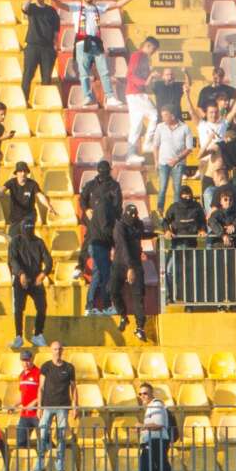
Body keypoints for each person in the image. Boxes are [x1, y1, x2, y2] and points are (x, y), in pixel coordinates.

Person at [54, 0, 141, 109]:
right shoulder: (77, 8)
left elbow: (117, 5)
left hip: (96, 42)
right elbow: (62, 6)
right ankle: (88, 96)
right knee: (84, 72)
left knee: (104, 71)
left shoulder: (97, 8)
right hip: (82, 43)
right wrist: (54, 0)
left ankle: (110, 97)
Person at [80, 161, 122, 316]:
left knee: (100, 273)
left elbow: (118, 208)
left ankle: (93, 306)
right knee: (103, 273)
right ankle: (100, 305)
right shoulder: (92, 186)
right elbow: (82, 199)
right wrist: (86, 210)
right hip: (98, 236)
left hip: (103, 235)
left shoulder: (114, 186)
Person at [8, 218, 53, 350]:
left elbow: (48, 260)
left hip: (36, 279)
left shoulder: (39, 242)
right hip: (20, 280)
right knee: (18, 308)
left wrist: (44, 273)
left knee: (42, 306)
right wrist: (21, 273)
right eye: (26, 228)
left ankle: (38, 334)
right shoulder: (15, 241)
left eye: (30, 228)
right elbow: (12, 259)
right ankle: (18, 336)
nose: (28, 231)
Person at [112, 204, 153, 341]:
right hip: (120, 263)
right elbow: (123, 247)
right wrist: (129, 267)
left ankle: (140, 327)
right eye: (132, 216)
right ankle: (123, 316)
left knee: (138, 295)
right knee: (113, 291)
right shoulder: (120, 226)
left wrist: (156, 234)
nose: (134, 218)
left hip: (135, 263)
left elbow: (141, 235)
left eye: (136, 215)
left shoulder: (138, 224)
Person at [144, 107, 195, 213]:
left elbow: (189, 148)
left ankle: (175, 213)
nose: (163, 118)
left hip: (178, 164)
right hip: (163, 163)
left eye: (165, 115)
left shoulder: (185, 128)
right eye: (162, 116)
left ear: (172, 116)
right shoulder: (160, 127)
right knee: (162, 188)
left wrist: (177, 159)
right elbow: (155, 145)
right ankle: (160, 211)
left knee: (177, 190)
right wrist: (156, 161)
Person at [37, 342, 75, 471]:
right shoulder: (46, 366)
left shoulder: (69, 367)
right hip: (47, 406)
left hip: (63, 406)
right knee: (42, 434)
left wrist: (75, 406)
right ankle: (40, 461)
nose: (57, 351)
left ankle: (60, 462)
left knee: (61, 436)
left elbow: (74, 388)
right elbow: (41, 388)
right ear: (51, 350)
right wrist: (39, 407)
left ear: (62, 350)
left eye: (59, 349)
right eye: (54, 349)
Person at [123, 36, 161, 164]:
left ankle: (130, 155)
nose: (153, 53)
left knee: (136, 125)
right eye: (153, 50)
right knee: (154, 114)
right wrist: (145, 81)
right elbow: (130, 74)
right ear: (148, 46)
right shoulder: (138, 55)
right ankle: (148, 143)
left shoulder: (144, 58)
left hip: (133, 93)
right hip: (136, 93)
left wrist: (149, 78)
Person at [21, 0, 62, 102]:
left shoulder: (51, 11)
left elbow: (56, 32)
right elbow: (24, 8)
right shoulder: (32, 8)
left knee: (46, 78)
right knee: (27, 75)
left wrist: (55, 48)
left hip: (47, 48)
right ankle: (24, 100)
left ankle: (45, 101)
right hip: (32, 46)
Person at [136, 383, 171, 471]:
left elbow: (158, 424)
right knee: (149, 469)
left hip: (156, 441)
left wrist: (142, 426)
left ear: (152, 393)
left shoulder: (156, 405)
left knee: (153, 468)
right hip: (152, 441)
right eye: (140, 394)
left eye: (145, 393)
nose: (142, 396)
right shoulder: (150, 407)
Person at [0, 161, 54, 228]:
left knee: (26, 233)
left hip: (29, 217)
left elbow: (40, 196)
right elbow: (1, 191)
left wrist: (49, 206)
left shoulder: (32, 184)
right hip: (15, 217)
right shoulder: (11, 182)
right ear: (16, 173)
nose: (23, 174)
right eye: (20, 171)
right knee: (14, 237)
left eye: (25, 171)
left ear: (27, 173)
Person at [14, 348, 41, 451]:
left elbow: (44, 393)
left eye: (28, 360)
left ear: (32, 359)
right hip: (25, 414)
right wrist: (14, 405)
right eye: (23, 360)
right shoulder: (21, 375)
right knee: (21, 442)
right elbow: (22, 395)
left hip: (37, 414)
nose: (26, 363)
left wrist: (34, 403)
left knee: (43, 441)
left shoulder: (38, 373)